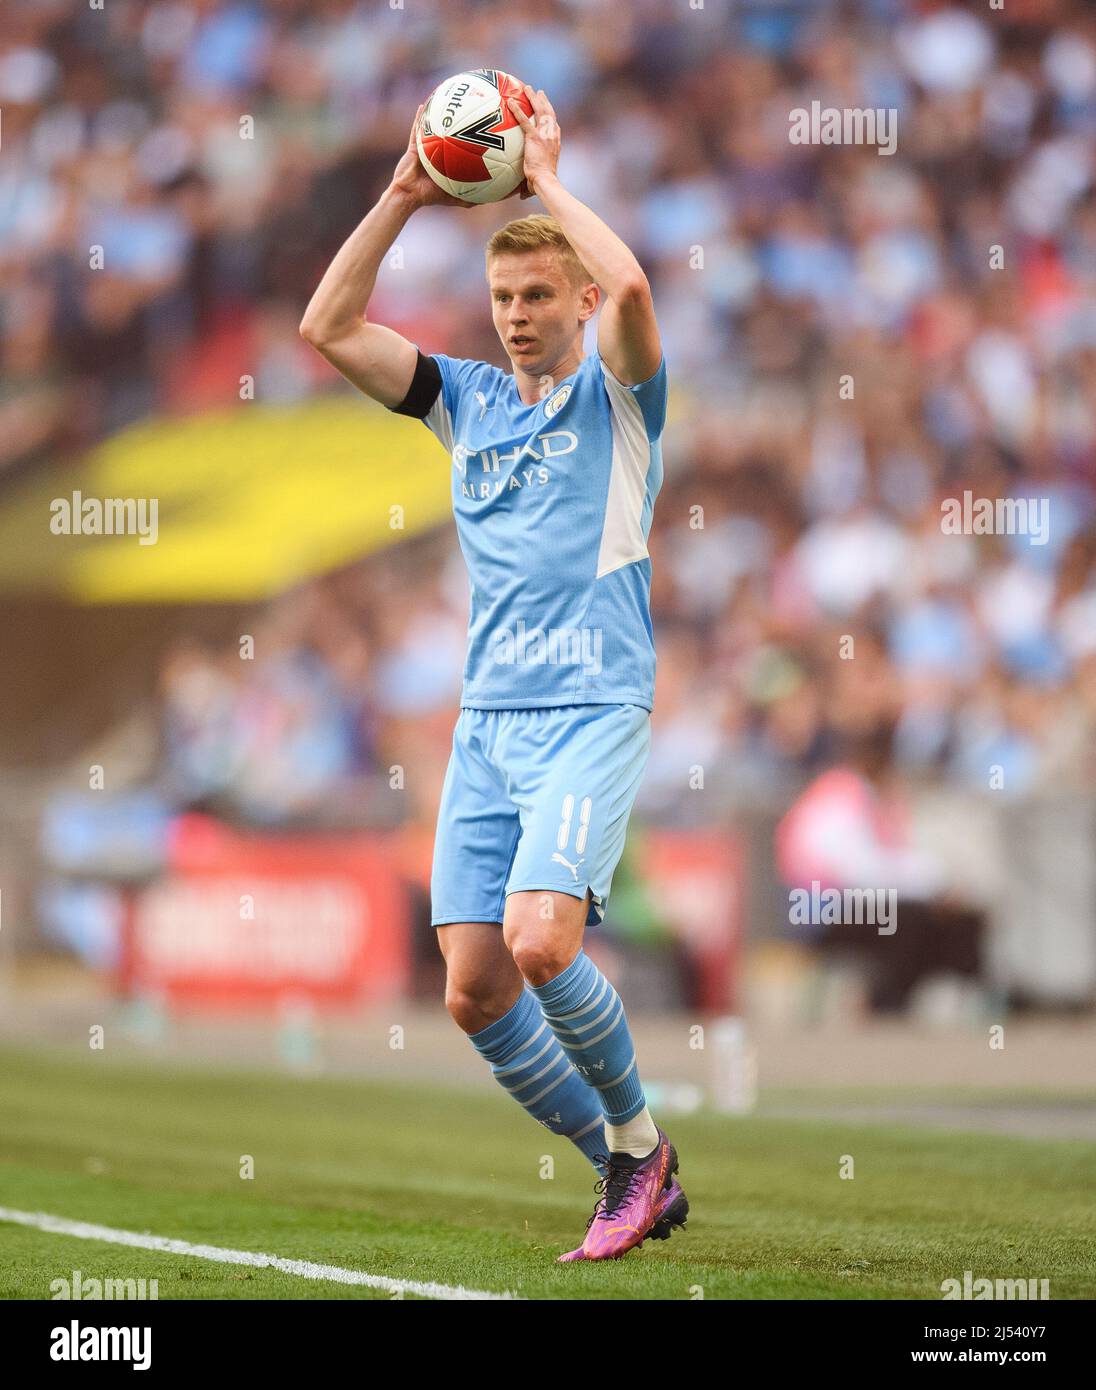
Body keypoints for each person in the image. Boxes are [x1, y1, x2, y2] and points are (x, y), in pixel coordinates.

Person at [300, 82, 686, 1261]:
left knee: (540, 943)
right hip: (488, 724)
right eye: (503, 298)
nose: (518, 315)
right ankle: (626, 1170)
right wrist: (404, 194)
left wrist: (546, 179)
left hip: (591, 707)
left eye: (536, 296)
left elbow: (629, 286)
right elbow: (325, 328)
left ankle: (640, 1146)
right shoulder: (460, 402)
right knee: (473, 988)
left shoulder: (619, 402)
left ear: (571, 301)